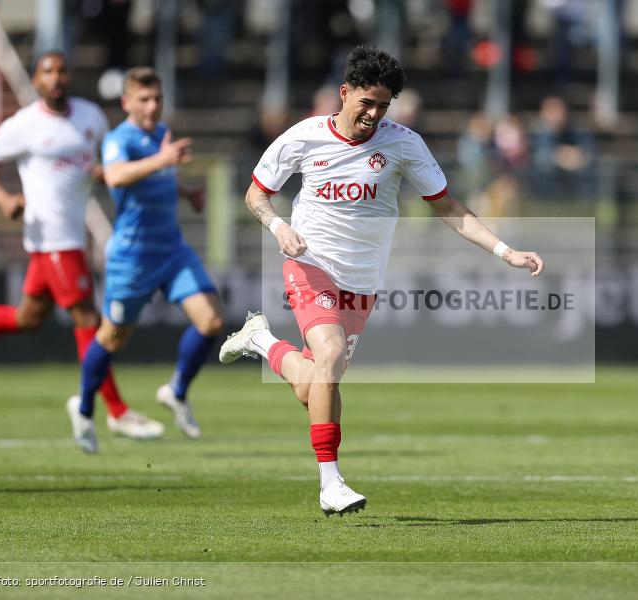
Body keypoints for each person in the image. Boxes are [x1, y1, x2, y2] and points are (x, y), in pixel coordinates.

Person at [218, 46, 544, 516]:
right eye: (366, 103)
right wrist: (278, 226)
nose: (373, 114)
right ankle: (331, 483)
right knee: (329, 358)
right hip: (311, 266)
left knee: (315, 386)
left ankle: (263, 341)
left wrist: (504, 250)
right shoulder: (304, 137)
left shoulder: (404, 144)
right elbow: (255, 195)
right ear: (344, 93)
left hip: (363, 284)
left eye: (383, 106)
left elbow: (448, 206)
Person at [0, 51, 164, 442]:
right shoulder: (23, 125)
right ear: (36, 81)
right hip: (51, 238)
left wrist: (97, 173)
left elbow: (92, 163)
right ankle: (116, 411)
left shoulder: (90, 117)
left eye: (63, 70)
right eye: (48, 72)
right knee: (87, 319)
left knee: (28, 317)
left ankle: (112, 409)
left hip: (71, 235)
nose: (57, 78)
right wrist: (3, 200)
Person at [68, 67, 224, 453]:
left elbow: (157, 179)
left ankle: (176, 391)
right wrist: (163, 159)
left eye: (157, 99)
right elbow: (118, 177)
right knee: (112, 339)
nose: (153, 106)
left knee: (211, 320)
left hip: (170, 249)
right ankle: (85, 408)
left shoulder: (160, 134)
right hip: (131, 258)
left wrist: (187, 193)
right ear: (126, 102)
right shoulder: (119, 139)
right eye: (144, 99)